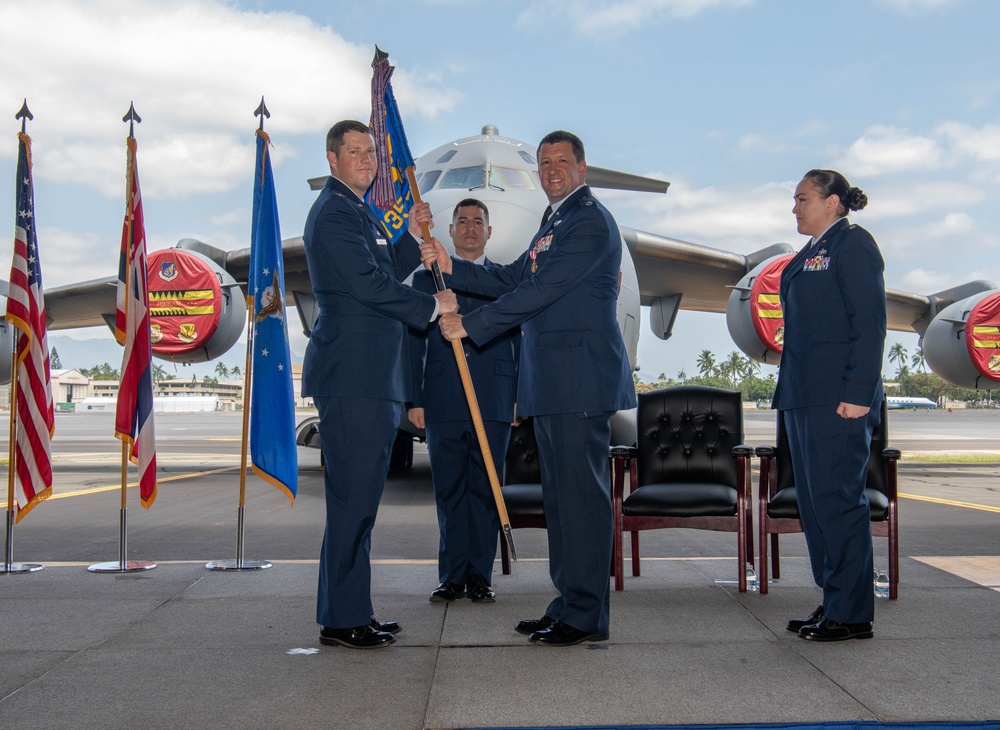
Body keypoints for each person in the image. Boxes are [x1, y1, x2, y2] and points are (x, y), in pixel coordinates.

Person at [426, 130, 636, 647]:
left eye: (561, 162)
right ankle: (569, 602)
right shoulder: (554, 220)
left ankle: (585, 615)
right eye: (545, 163)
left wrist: (472, 326)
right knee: (562, 502)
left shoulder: (588, 220)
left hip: (579, 381)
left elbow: (540, 291)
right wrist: (456, 269)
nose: (551, 170)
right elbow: (516, 275)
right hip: (552, 382)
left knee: (581, 501)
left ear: (582, 168)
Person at [302, 120, 457, 650]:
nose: (367, 160)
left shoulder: (358, 212)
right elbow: (369, 287)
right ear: (332, 159)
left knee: (360, 502)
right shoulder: (333, 215)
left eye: (371, 151)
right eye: (355, 152)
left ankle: (351, 611)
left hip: (371, 377)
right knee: (352, 502)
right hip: (354, 377)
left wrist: (412, 240)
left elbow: (385, 266)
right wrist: (432, 306)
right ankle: (343, 619)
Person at [774, 168, 887, 642]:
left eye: (802, 198)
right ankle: (832, 600)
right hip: (804, 396)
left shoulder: (853, 245)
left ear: (832, 202)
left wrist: (858, 394)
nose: (794, 207)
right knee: (815, 504)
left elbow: (870, 324)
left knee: (839, 502)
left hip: (839, 400)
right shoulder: (812, 252)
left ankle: (852, 612)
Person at [408, 198, 519, 605]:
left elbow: (519, 341)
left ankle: (480, 576)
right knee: (450, 490)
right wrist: (414, 397)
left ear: (490, 232)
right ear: (450, 232)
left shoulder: (505, 282)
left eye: (479, 222)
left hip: (494, 396)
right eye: (462, 221)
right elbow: (411, 345)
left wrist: (518, 396)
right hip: (443, 398)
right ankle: (452, 576)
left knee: (487, 489)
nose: (470, 228)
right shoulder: (425, 282)